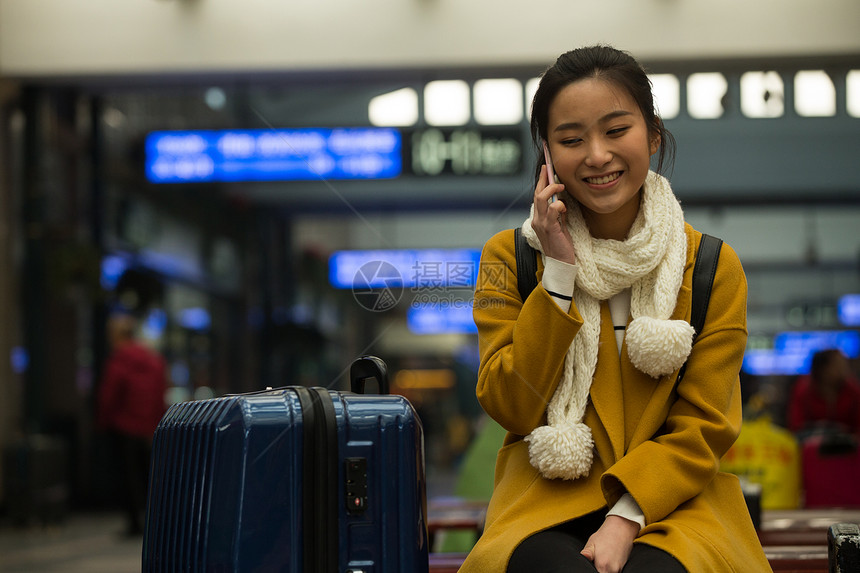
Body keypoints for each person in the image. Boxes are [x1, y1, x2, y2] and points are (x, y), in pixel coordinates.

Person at [461, 45, 770, 573]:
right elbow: (512, 404)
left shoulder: (711, 266)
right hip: (545, 503)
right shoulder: (511, 257)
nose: (597, 155)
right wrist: (558, 272)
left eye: (616, 130)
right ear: (547, 152)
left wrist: (625, 518)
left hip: (676, 505)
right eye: (571, 139)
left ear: (653, 134)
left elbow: (704, 425)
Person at [97, 312, 168, 536]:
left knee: (128, 480)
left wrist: (102, 423)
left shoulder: (118, 360)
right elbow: (160, 394)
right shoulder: (154, 360)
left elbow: (109, 397)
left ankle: (134, 524)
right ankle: (155, 522)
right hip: (149, 427)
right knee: (149, 477)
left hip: (123, 427)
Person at [787, 348, 860, 437]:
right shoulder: (803, 390)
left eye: (843, 364)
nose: (843, 369)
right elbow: (796, 426)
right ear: (822, 369)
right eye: (837, 365)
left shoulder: (853, 390)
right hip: (811, 445)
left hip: (849, 445)